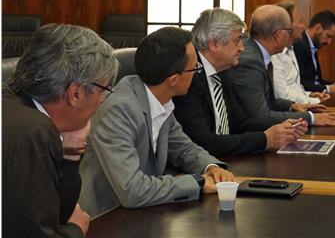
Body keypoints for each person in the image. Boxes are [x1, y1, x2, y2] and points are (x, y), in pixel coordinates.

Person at [78, 27, 237, 217]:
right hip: (106, 217)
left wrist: (212, 168)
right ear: (173, 79)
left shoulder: (160, 99)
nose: (197, 73)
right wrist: (199, 183)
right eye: (195, 68)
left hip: (146, 210)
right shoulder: (117, 110)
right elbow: (132, 190)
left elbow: (184, 148)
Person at [3, 24, 117, 238]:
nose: (102, 100)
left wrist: (71, 151)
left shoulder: (12, 102)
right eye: (103, 90)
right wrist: (76, 230)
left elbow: (53, 215)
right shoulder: (33, 132)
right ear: (75, 93)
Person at [173, 8, 306, 156]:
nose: (242, 48)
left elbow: (241, 123)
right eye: (237, 41)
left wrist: (282, 129)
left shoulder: (223, 72)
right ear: (214, 44)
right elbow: (203, 142)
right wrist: (265, 139)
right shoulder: (189, 77)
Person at [227, 4, 335, 128]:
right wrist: (311, 118)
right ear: (278, 35)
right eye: (289, 31)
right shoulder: (251, 62)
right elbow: (261, 117)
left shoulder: (258, 53)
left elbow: (268, 101)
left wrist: (292, 106)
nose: (291, 34)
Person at [272, 2, 330, 104]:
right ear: (287, 26)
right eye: (299, 22)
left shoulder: (290, 48)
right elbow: (282, 96)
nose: (303, 26)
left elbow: (294, 87)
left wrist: (309, 94)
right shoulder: (275, 54)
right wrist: (316, 101)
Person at [294, 10, 335, 95]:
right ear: (318, 28)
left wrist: (332, 84)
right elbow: (301, 84)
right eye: (328, 36)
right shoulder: (299, 46)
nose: (329, 42)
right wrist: (328, 88)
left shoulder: (312, 46)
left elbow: (316, 81)